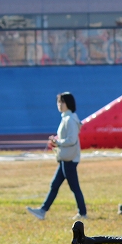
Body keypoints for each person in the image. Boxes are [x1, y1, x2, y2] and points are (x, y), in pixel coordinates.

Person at [26, 92, 87, 220]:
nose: (59, 104)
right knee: (55, 185)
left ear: (68, 103)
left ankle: (82, 213)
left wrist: (57, 142)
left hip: (69, 158)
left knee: (74, 187)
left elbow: (71, 140)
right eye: (58, 102)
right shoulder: (67, 118)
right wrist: (57, 141)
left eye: (62, 102)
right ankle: (42, 210)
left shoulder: (70, 119)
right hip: (65, 157)